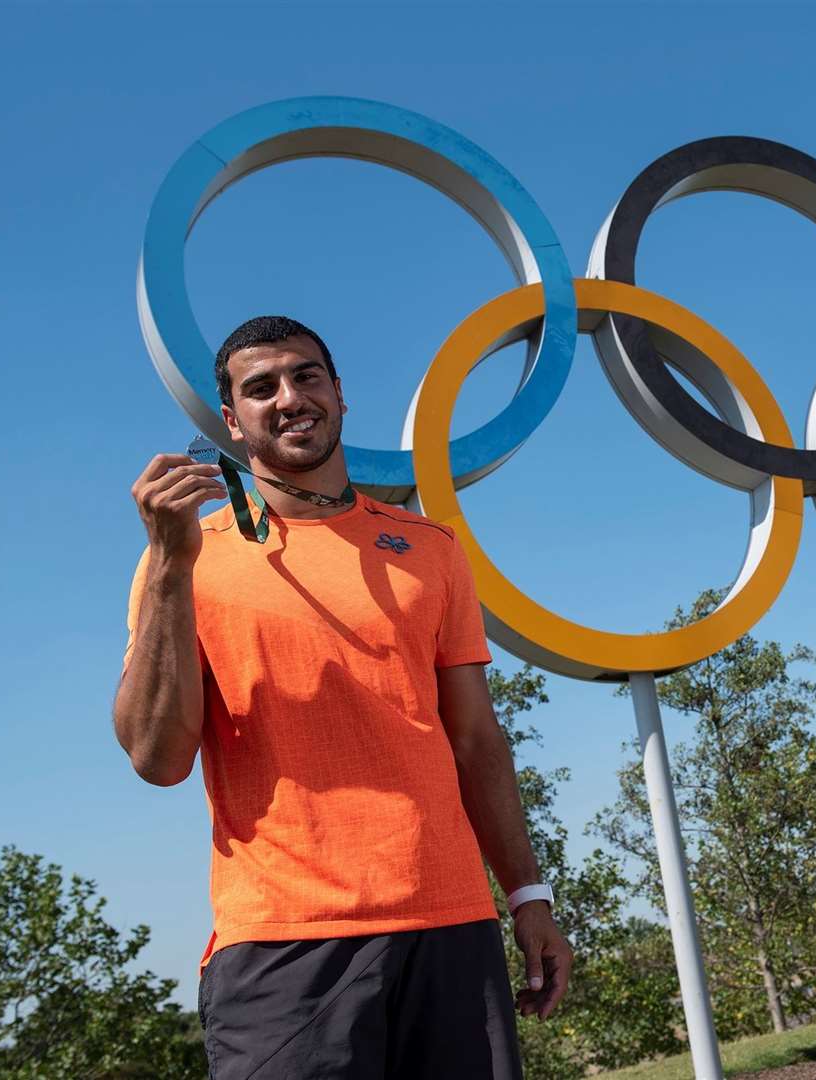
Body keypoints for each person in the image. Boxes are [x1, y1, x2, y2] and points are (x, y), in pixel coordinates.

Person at [114, 315, 570, 1079]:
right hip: (284, 940)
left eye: (307, 376)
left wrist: (529, 895)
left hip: (450, 922)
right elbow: (155, 759)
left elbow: (476, 739)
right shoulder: (186, 561)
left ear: (340, 395)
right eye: (261, 388)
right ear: (232, 422)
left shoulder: (432, 549)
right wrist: (167, 562)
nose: (290, 398)